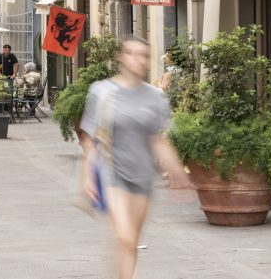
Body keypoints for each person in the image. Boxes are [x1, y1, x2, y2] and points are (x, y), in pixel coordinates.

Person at [79, 36, 189, 279]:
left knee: (131, 243)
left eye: (144, 56)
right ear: (120, 57)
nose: (138, 60)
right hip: (112, 174)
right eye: (132, 53)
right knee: (126, 239)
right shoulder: (102, 91)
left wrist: (177, 171)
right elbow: (90, 139)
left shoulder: (155, 97)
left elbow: (158, 140)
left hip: (143, 178)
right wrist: (88, 176)